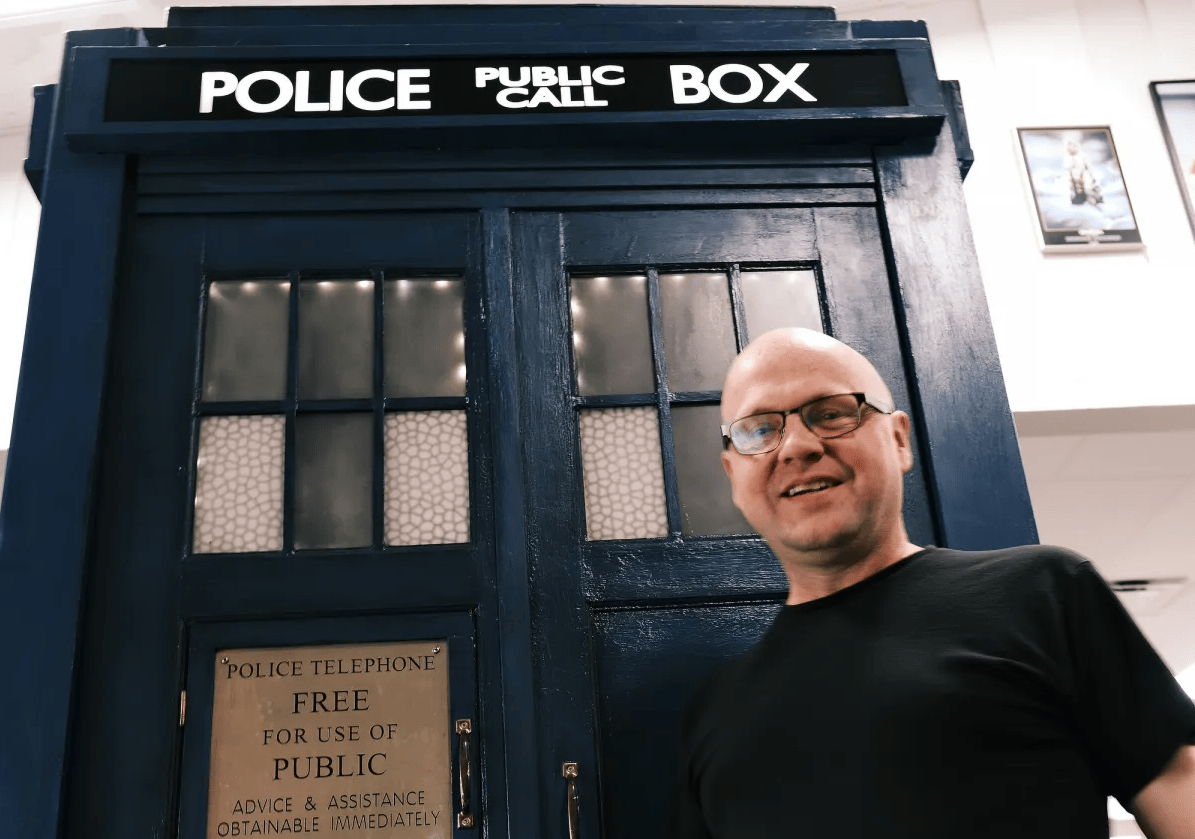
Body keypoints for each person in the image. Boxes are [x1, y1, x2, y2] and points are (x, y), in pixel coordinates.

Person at [668, 327, 1195, 838]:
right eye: (760, 430)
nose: (796, 446)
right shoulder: (713, 712)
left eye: (830, 414)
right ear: (733, 475)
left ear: (898, 440)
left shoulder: (1046, 593)